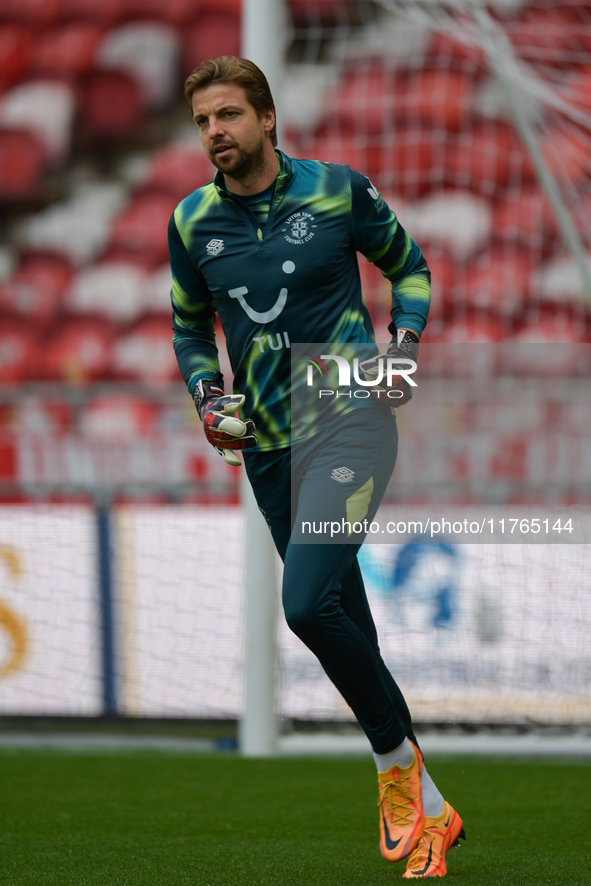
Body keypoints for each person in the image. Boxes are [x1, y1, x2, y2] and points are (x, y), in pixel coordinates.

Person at [168, 55, 465, 879]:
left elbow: (410, 269)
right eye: (201, 121)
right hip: (265, 443)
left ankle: (393, 771)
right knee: (345, 620)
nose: (214, 133)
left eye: (228, 114)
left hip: (348, 415)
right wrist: (206, 396)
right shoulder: (192, 222)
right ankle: (433, 815)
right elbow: (191, 327)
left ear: (266, 118)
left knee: (303, 604)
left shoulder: (338, 192)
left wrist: (401, 350)